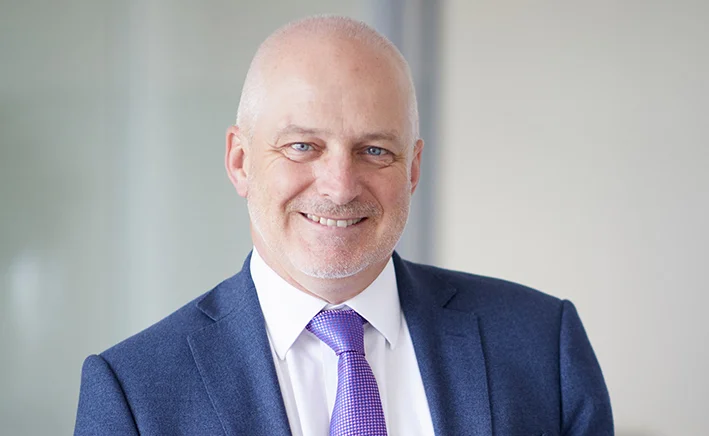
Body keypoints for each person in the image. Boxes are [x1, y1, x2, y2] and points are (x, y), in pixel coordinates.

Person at [74, 15, 613, 436]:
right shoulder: (135, 393)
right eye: (302, 146)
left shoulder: (542, 345)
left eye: (374, 150)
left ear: (413, 169)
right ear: (240, 161)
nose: (339, 186)